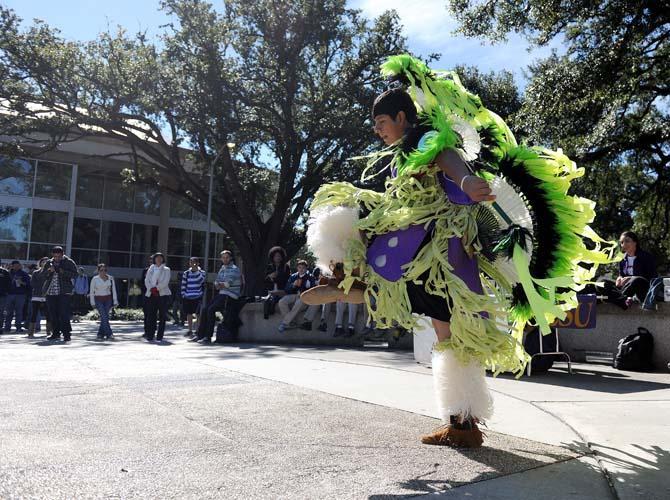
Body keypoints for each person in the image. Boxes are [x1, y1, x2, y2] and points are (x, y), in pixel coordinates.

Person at [301, 55, 617, 447]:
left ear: (401, 117)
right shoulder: (403, 154)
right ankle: (462, 425)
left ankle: (353, 284)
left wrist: (466, 179)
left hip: (435, 247)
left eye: (381, 123)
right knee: (445, 331)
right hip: (427, 247)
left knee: (350, 212)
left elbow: (445, 155)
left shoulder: (424, 138)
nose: (377, 131)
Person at [191, 250, 242, 344]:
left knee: (211, 309)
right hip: (222, 293)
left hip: (231, 295)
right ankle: (200, 335)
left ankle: (208, 337)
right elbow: (217, 282)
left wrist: (220, 284)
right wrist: (219, 284)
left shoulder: (235, 268)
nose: (225, 259)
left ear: (230, 258)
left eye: (227, 257)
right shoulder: (222, 268)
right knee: (205, 309)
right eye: (223, 257)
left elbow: (227, 283)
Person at [40, 246, 78, 342]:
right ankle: (56, 333)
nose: (57, 258)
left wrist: (62, 271)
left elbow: (75, 274)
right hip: (51, 292)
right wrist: (49, 271)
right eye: (55, 256)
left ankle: (67, 334)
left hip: (64, 292)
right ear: (52, 255)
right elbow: (42, 275)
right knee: (53, 314)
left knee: (64, 314)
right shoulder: (49, 262)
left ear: (62, 254)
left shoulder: (69, 262)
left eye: (59, 256)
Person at [614, 231, 657, 307]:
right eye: (622, 242)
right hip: (626, 288)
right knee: (603, 282)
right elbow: (621, 274)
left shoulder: (646, 256)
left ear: (635, 242)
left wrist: (631, 278)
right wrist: (619, 278)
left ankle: (618, 299)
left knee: (636, 280)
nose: (624, 244)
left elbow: (652, 277)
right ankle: (622, 298)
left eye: (627, 241)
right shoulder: (621, 258)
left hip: (643, 289)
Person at [277, 260, 318, 333]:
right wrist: (293, 285)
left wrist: (305, 291)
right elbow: (286, 289)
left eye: (303, 268)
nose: (301, 269)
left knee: (299, 301)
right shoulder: (293, 276)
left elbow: (314, 291)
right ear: (297, 268)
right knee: (281, 302)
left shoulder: (310, 277)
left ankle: (285, 323)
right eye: (299, 267)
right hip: (294, 295)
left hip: (305, 297)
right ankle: (292, 322)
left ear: (306, 269)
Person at [143, 253, 171, 342]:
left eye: (160, 258)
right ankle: (150, 335)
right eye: (157, 258)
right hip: (151, 294)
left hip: (162, 294)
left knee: (162, 316)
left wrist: (157, 288)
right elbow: (146, 280)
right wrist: (151, 288)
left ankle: (160, 336)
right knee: (151, 315)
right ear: (154, 259)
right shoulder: (151, 268)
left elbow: (166, 282)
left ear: (163, 259)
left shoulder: (166, 269)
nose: (158, 259)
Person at [89, 263, 119, 340]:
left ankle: (100, 334)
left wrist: (115, 301)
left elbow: (114, 290)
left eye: (105, 270)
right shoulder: (95, 279)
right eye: (101, 270)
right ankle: (109, 334)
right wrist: (92, 302)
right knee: (104, 317)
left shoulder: (111, 278)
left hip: (108, 300)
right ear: (98, 271)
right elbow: (92, 291)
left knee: (104, 317)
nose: (103, 272)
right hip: (98, 300)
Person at [263, 246, 291, 319]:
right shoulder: (269, 267)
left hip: (281, 291)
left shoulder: (286, 267)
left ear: (282, 257)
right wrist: (270, 277)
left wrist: (276, 278)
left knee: (275, 299)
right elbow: (265, 280)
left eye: (279, 256)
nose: (277, 257)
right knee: (267, 300)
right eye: (275, 256)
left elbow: (287, 280)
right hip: (271, 290)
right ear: (272, 257)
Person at [3, 260, 31, 333]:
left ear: (20, 266)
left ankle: (18, 327)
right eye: (15, 265)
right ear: (12, 266)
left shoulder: (24, 274)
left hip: (20, 295)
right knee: (9, 312)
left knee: (19, 312)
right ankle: (7, 327)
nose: (16, 267)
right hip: (9, 295)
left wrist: (21, 282)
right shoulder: (7, 273)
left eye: (18, 265)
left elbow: (28, 284)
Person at [181, 257, 206, 337]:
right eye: (191, 262)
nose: (193, 264)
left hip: (198, 296)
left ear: (198, 263)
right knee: (189, 314)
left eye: (194, 262)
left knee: (198, 314)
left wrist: (196, 271)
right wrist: (183, 294)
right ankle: (190, 330)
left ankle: (197, 330)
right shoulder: (186, 273)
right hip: (188, 296)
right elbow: (183, 284)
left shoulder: (202, 272)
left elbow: (201, 281)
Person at [27, 257, 50, 338]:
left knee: (48, 314)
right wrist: (41, 287)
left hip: (47, 296)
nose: (44, 263)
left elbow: (50, 283)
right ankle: (31, 331)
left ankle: (49, 331)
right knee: (34, 314)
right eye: (43, 262)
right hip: (36, 295)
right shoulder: (36, 272)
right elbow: (32, 283)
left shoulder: (51, 272)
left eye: (46, 262)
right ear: (40, 263)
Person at [0, 260, 9, 332]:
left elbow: (9, 283)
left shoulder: (4, 272)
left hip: (2, 295)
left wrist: (6, 291)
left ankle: (0, 327)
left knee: (1, 312)